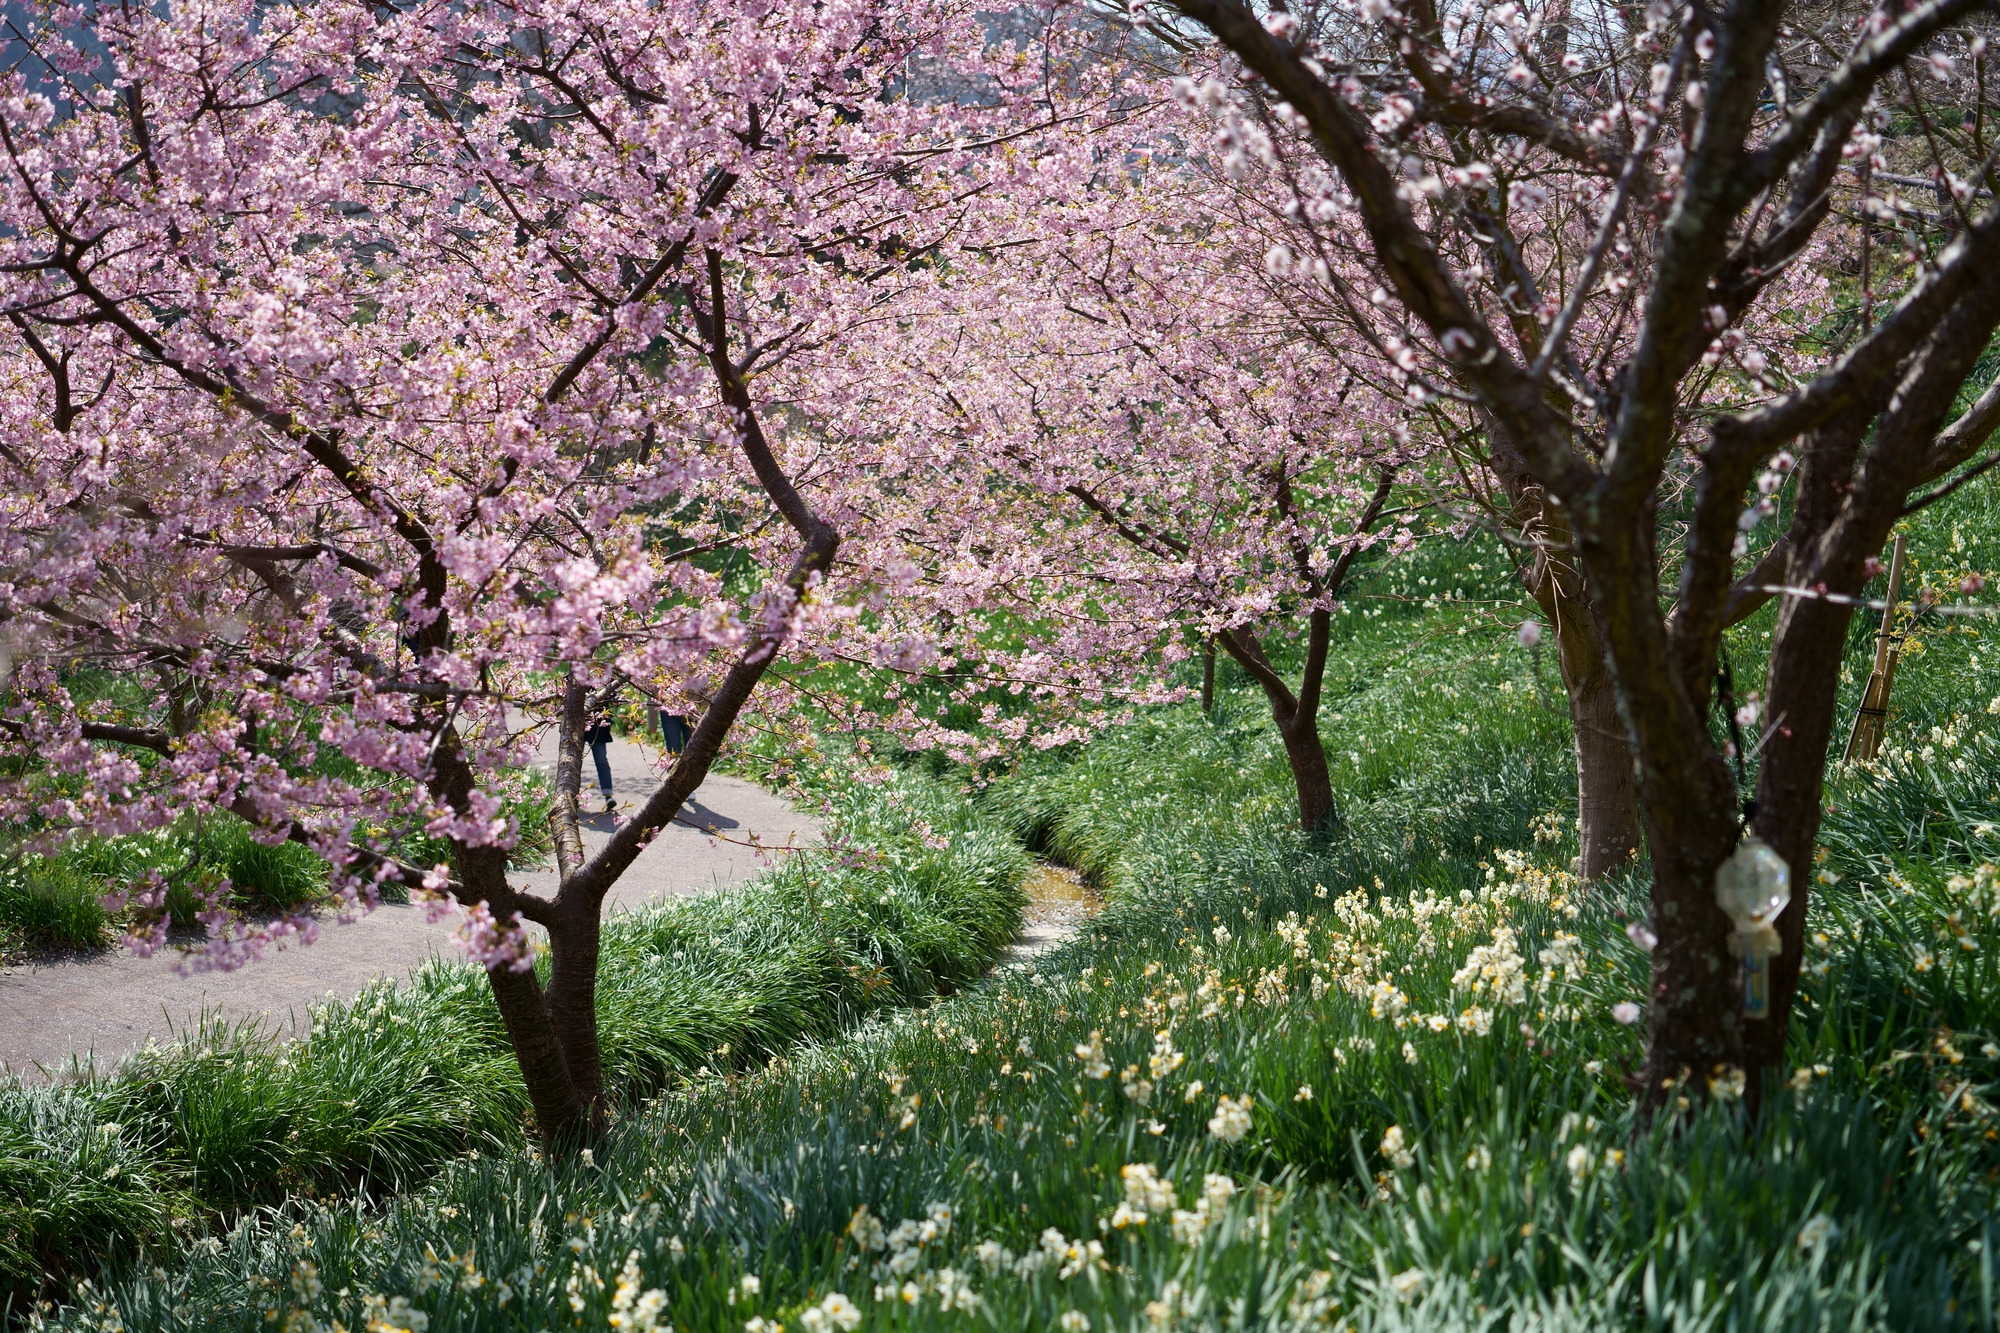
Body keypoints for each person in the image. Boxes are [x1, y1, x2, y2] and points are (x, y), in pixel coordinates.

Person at [585, 708, 615, 813]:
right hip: (577, 720)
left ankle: (608, 795)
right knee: (573, 762)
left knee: (601, 760)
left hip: (599, 723)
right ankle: (572, 796)